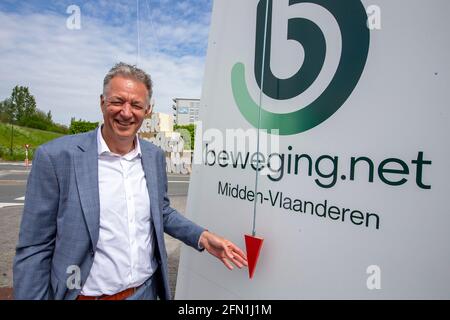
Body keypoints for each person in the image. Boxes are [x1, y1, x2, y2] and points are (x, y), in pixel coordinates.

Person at [13, 62, 247, 300]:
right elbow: (35, 247)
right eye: (117, 101)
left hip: (145, 292)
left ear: (148, 110)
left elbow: (161, 211)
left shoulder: (153, 155)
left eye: (136, 105)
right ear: (102, 102)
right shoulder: (56, 157)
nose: (126, 112)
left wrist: (203, 237)